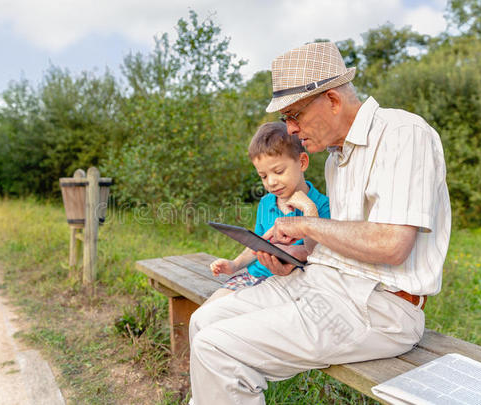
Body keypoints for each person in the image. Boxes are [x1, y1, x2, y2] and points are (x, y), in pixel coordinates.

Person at [188, 41, 451, 404]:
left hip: (379, 308)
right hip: (321, 286)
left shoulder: (403, 134)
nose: (291, 130)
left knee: (217, 348)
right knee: (204, 320)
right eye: (285, 120)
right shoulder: (335, 158)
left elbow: (392, 245)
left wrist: (308, 226)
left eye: (295, 115)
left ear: (332, 100)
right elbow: (339, 242)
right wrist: (292, 256)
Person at [207, 122, 330, 303]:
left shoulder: (321, 205)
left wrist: (308, 210)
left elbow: (318, 253)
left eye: (278, 171)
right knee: (210, 307)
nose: (271, 182)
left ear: (302, 162)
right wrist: (234, 265)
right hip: (253, 276)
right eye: (263, 176)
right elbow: (256, 243)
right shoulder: (266, 203)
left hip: (290, 284)